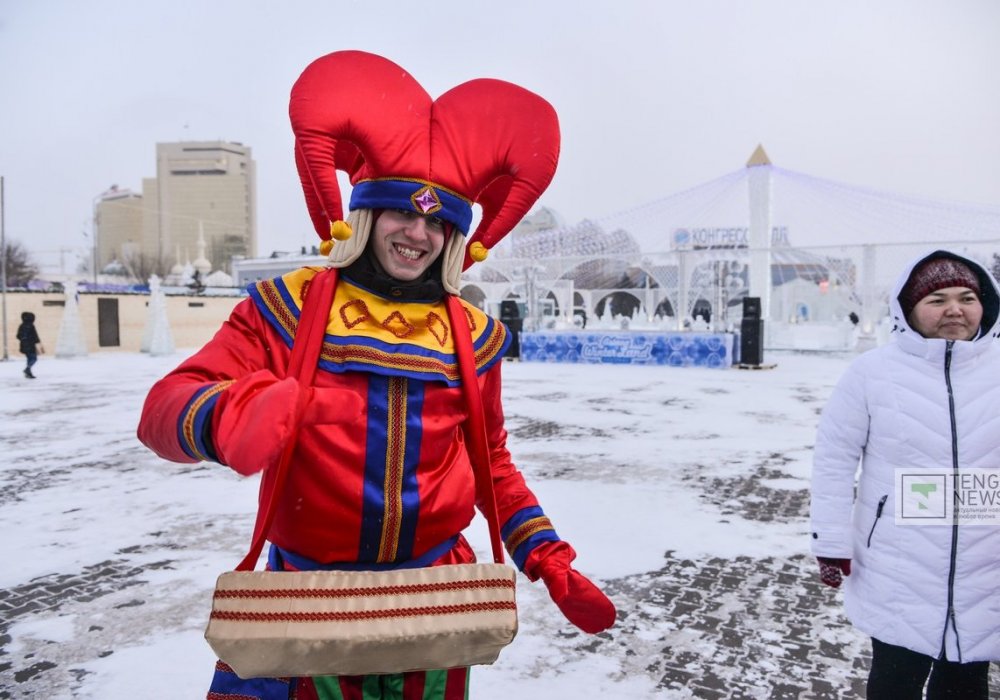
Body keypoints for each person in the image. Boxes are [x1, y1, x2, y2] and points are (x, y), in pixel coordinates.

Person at [136, 51, 615, 700]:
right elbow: (165, 407)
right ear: (364, 212)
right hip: (308, 610)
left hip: (431, 614)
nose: (418, 233)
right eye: (401, 212)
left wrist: (547, 555)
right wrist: (222, 418)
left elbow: (491, 464)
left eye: (438, 221)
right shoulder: (288, 309)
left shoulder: (473, 338)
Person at [810, 250, 1000, 699]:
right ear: (908, 308)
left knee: (966, 679)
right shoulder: (873, 374)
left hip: (983, 561)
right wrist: (831, 542)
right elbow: (835, 457)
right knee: (896, 678)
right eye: (936, 299)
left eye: (966, 297)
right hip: (899, 560)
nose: (954, 309)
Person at [16, 311, 43, 379]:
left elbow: (18, 336)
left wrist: (24, 339)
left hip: (25, 345)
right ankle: (27, 369)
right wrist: (37, 341)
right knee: (34, 358)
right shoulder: (30, 325)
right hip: (29, 345)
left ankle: (28, 372)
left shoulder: (22, 325)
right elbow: (34, 335)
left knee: (29, 358)